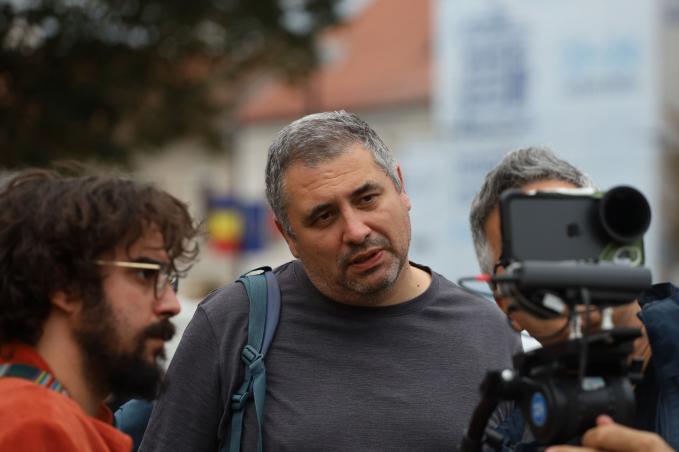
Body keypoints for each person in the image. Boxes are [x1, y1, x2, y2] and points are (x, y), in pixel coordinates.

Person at [140, 111, 520, 451]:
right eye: (324, 217)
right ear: (288, 236)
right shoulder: (231, 324)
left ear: (401, 187)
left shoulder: (490, 331)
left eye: (367, 198)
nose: (355, 230)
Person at [469, 147, 679, 452]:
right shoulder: (512, 439)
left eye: (574, 231)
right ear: (505, 303)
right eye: (531, 249)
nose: (563, 263)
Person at [0, 168, 199, 451]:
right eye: (146, 274)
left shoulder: (61, 417)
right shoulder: (32, 424)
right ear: (65, 286)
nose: (172, 304)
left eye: (169, 280)